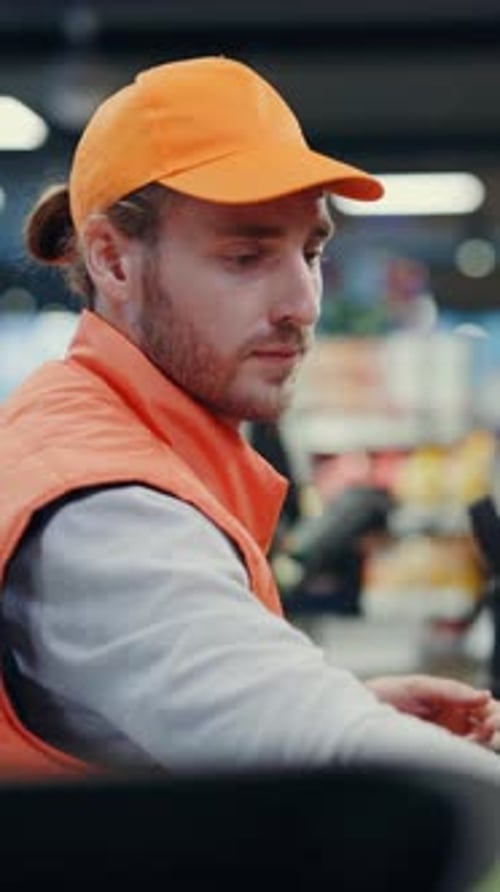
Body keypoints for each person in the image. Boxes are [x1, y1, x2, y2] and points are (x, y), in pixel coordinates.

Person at [1, 54, 500, 781]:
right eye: (245, 256)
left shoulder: (120, 436)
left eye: (312, 251)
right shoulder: (99, 503)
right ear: (112, 261)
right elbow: (331, 755)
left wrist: (336, 700)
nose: (302, 304)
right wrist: (333, 722)